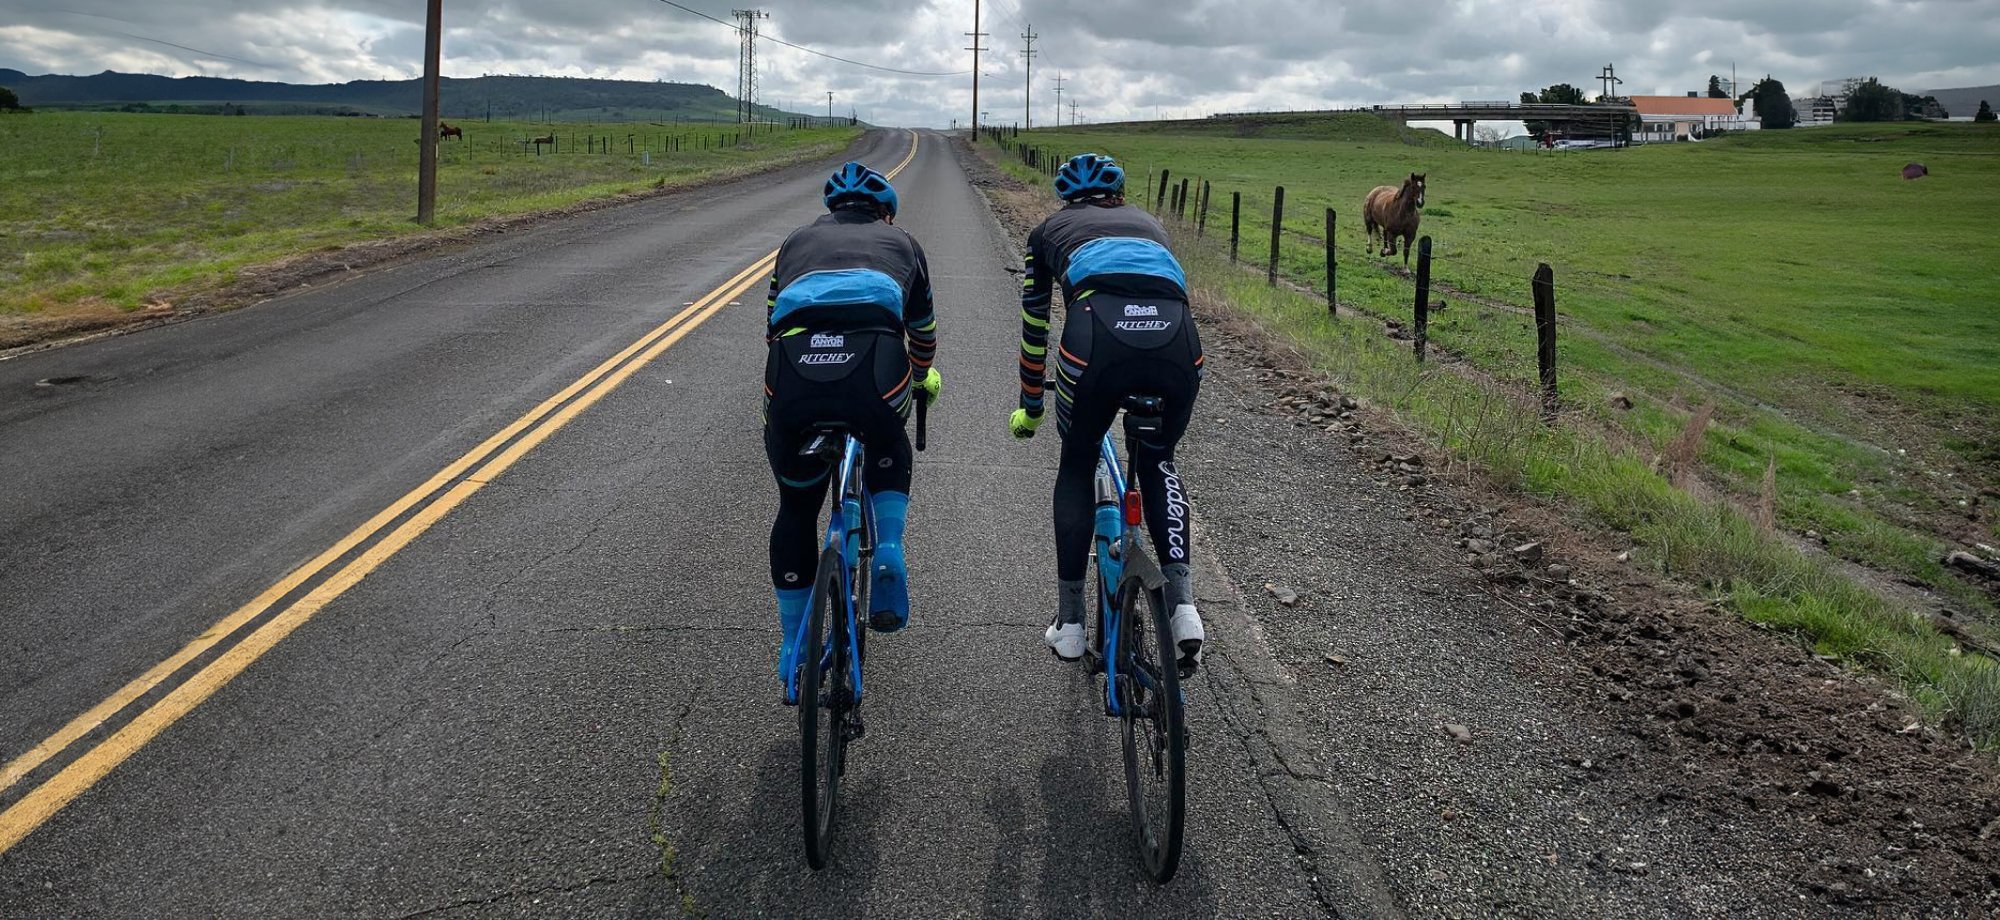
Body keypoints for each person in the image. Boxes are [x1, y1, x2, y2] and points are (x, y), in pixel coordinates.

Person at [1010, 152, 1205, 671]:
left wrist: (1032, 401)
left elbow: (1035, 329)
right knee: (1158, 460)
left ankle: (1071, 624)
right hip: (1177, 340)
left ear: (1066, 200)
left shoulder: (1048, 231)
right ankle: (1185, 607)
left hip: (1095, 339)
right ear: (1120, 197)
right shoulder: (1150, 225)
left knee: (1076, 464)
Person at [765, 161, 940, 701]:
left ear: (831, 211)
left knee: (795, 508)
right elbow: (923, 334)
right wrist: (922, 376)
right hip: (873, 365)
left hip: (794, 369)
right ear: (885, 214)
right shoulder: (905, 244)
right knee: (887, 438)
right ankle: (888, 547)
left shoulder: (795, 241)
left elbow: (771, 326)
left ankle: (793, 644)